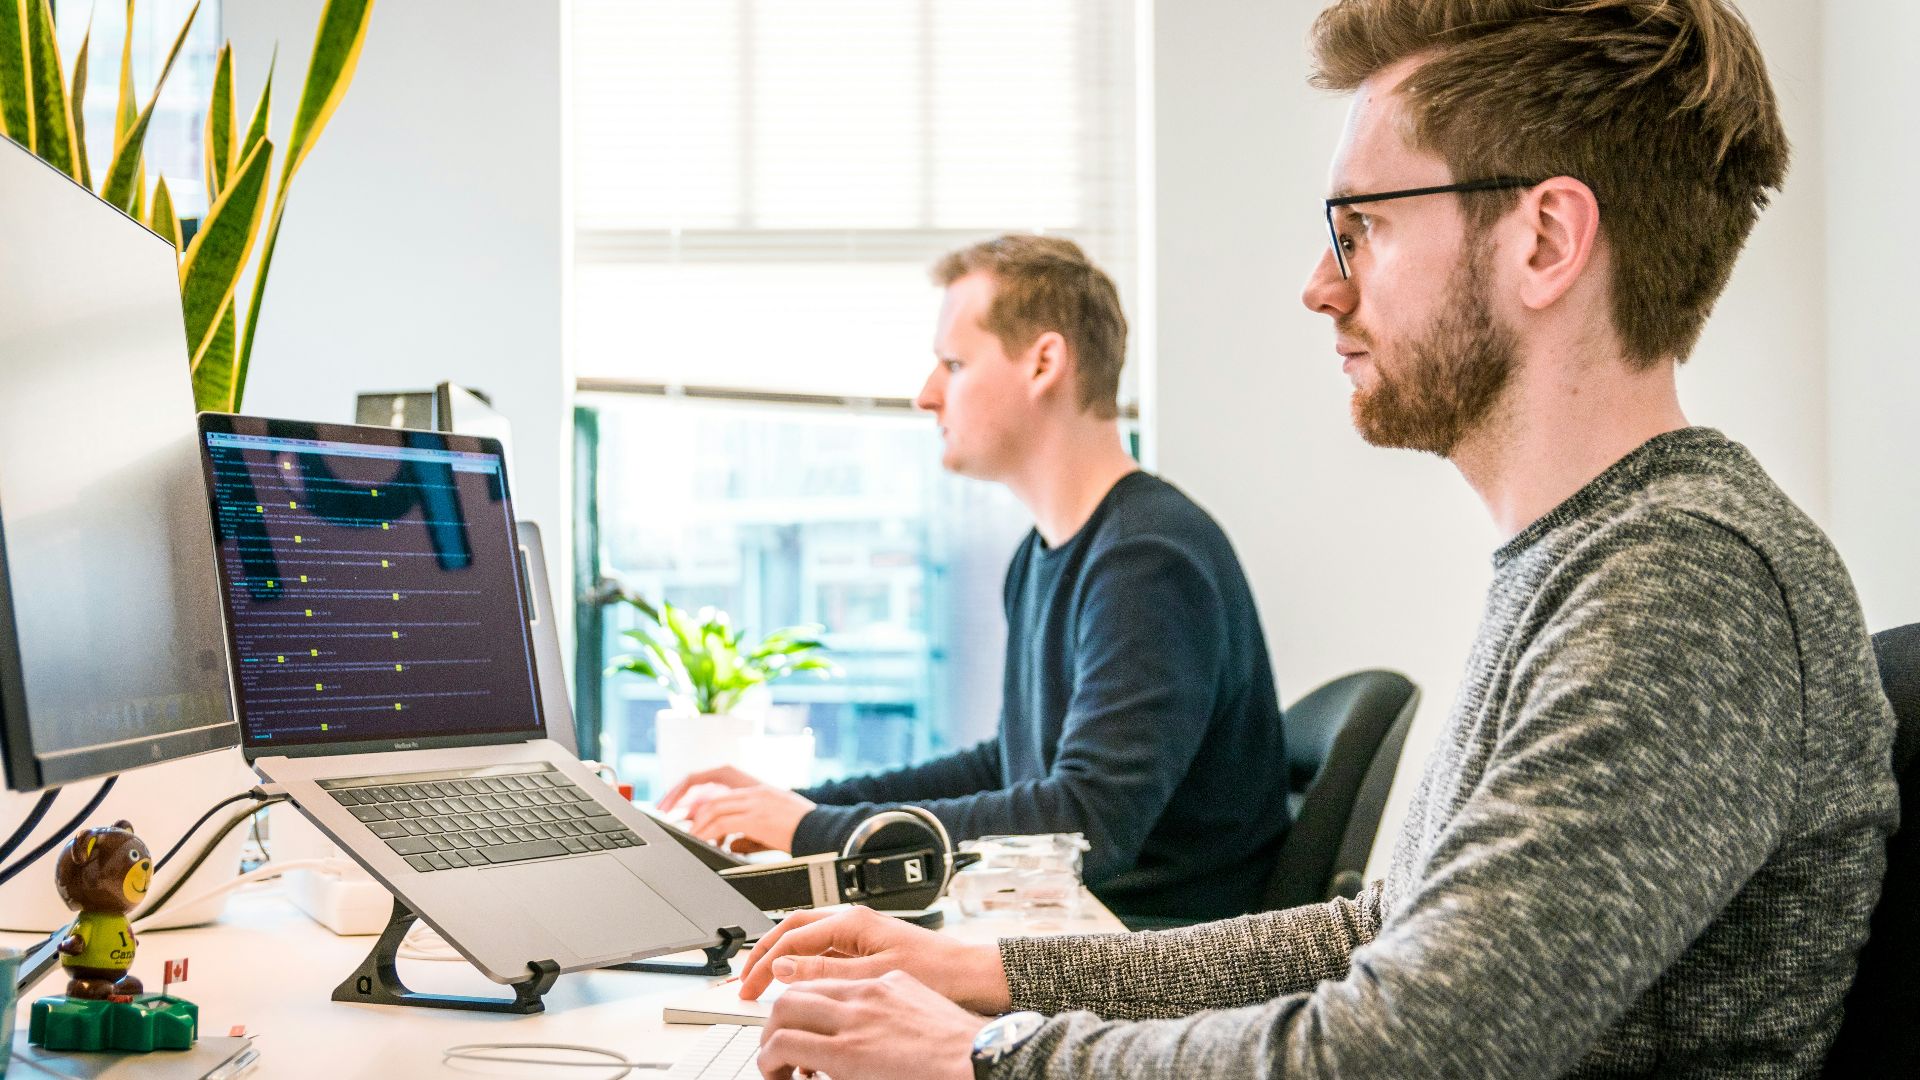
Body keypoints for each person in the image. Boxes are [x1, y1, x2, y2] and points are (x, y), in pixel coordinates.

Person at [731, 2, 1900, 1077]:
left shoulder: (1684, 584)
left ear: (1544, 239)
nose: (1318, 286)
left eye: (1362, 229)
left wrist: (984, 1059)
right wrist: (986, 973)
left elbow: (1404, 1053)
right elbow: (1377, 935)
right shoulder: (1592, 558)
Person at [660, 235, 1292, 923]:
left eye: (954, 364)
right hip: (1077, 931)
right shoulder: (1047, 555)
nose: (925, 395)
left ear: (1044, 363)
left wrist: (812, 832)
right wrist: (807, 807)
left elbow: (1084, 827)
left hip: (1148, 957)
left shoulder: (1148, 561)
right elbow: (1010, 767)